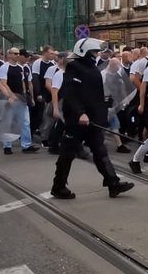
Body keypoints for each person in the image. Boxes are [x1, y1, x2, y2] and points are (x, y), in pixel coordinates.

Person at [51, 39, 134, 200]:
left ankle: (113, 183)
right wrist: (80, 113)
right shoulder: (74, 67)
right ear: (85, 53)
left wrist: (106, 102)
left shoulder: (91, 67)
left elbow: (93, 93)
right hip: (77, 120)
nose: (97, 54)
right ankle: (58, 186)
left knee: (100, 150)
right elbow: (71, 94)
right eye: (94, 52)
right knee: (68, 153)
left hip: (92, 119)